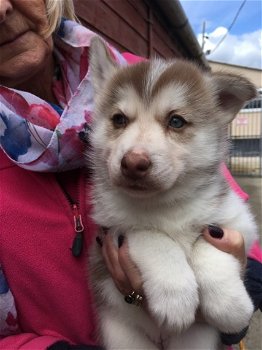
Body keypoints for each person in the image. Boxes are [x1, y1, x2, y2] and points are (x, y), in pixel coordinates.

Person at [0, 1, 261, 349]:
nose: (1, 7)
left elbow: (239, 239)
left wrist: (226, 276)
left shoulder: (141, 76)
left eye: (175, 122)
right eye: (120, 120)